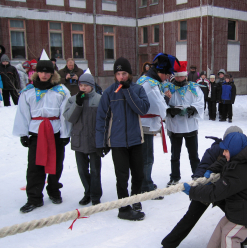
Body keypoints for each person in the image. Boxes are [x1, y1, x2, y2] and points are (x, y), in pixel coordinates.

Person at [156, 126, 243, 248]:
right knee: (191, 216)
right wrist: (198, 182)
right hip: (208, 190)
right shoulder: (215, 150)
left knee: (236, 216)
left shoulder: (242, 154)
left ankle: (239, 245)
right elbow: (202, 167)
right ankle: (167, 246)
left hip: (225, 191)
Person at [13, 58, 71, 213]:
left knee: (56, 163)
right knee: (35, 166)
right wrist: (23, 134)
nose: (44, 74)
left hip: (55, 132)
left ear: (52, 73)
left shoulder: (61, 91)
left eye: (47, 72)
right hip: (36, 133)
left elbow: (64, 114)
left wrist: (65, 134)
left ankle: (53, 190)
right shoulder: (28, 92)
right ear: (36, 72)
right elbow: (23, 114)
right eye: (41, 71)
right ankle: (34, 197)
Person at [96, 57, 150, 221]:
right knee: (122, 176)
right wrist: (101, 142)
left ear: (130, 74)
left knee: (138, 174)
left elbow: (142, 108)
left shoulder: (138, 89)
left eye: (124, 73)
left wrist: (127, 91)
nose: (121, 77)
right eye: (118, 74)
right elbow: (102, 119)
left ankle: (135, 200)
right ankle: (124, 207)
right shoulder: (108, 93)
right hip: (117, 142)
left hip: (136, 140)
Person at [137, 53, 176, 198]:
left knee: (144, 157)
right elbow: (160, 109)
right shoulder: (150, 84)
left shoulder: (145, 80)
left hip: (143, 124)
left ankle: (144, 181)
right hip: (145, 126)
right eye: (167, 75)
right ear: (161, 72)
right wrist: (165, 99)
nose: (167, 78)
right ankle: (145, 185)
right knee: (147, 158)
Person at [63, 73, 103, 205]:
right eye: (81, 85)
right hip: (79, 139)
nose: (83, 88)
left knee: (95, 169)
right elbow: (70, 118)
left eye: (86, 85)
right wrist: (77, 104)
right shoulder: (72, 99)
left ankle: (96, 195)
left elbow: (105, 120)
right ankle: (88, 192)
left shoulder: (99, 99)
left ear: (91, 86)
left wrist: (103, 141)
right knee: (82, 170)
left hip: (94, 140)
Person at [164, 60, 204, 186]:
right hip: (174, 126)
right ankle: (175, 176)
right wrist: (170, 110)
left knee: (193, 154)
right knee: (175, 155)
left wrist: (193, 108)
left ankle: (196, 175)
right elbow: (160, 104)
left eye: (181, 76)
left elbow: (200, 101)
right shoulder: (168, 88)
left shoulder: (193, 88)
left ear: (185, 75)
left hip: (190, 126)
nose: (179, 78)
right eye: (177, 76)